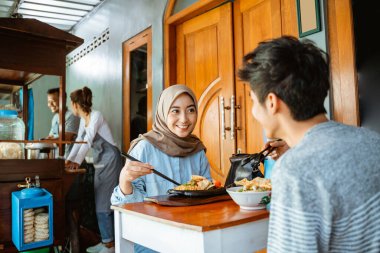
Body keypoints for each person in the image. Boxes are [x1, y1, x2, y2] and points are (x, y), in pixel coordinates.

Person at [238, 36, 380, 252]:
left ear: (271, 102)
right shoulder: (373, 140)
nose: (253, 110)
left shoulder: (295, 172)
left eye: (251, 100)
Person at [111, 84, 211, 253]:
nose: (184, 119)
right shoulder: (144, 148)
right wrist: (124, 181)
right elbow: (125, 208)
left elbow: (206, 195)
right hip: (151, 240)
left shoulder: (197, 150)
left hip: (191, 235)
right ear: (163, 112)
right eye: (175, 111)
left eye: (190, 110)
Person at [65, 86, 122, 253]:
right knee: (100, 200)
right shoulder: (85, 119)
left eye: (71, 104)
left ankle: (110, 245)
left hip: (111, 160)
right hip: (101, 162)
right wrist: (69, 160)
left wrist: (76, 163)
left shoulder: (96, 116)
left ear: (75, 104)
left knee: (104, 202)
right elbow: (79, 141)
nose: (70, 107)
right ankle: (107, 241)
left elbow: (88, 140)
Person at [46, 88, 80, 157]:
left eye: (52, 101)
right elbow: (51, 137)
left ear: (63, 100)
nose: (49, 104)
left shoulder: (72, 116)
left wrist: (47, 141)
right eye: (48, 102)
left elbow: (66, 139)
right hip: (58, 161)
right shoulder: (55, 118)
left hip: (72, 163)